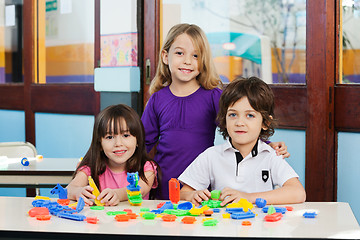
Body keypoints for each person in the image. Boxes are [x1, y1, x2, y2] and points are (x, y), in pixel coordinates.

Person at [141, 23, 289, 200]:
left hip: (201, 190)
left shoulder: (213, 96)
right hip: (164, 187)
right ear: (165, 56)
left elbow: (238, 125)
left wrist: (268, 144)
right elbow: (143, 144)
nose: (187, 60)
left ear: (203, 60)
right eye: (180, 53)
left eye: (195, 55)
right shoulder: (157, 99)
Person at [178, 77, 306, 206]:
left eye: (250, 115)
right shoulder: (211, 156)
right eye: (233, 115)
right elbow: (182, 193)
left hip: (260, 225)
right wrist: (193, 195)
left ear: (265, 123)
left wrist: (248, 197)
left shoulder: (271, 156)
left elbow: (298, 193)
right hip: (223, 224)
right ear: (224, 118)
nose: (239, 123)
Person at [67, 104, 160, 206]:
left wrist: (117, 194)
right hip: (102, 221)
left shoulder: (146, 168)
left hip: (136, 221)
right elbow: (69, 189)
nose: (118, 143)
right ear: (100, 144)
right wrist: (77, 192)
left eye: (125, 135)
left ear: (138, 140)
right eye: (110, 137)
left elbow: (140, 190)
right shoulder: (90, 168)